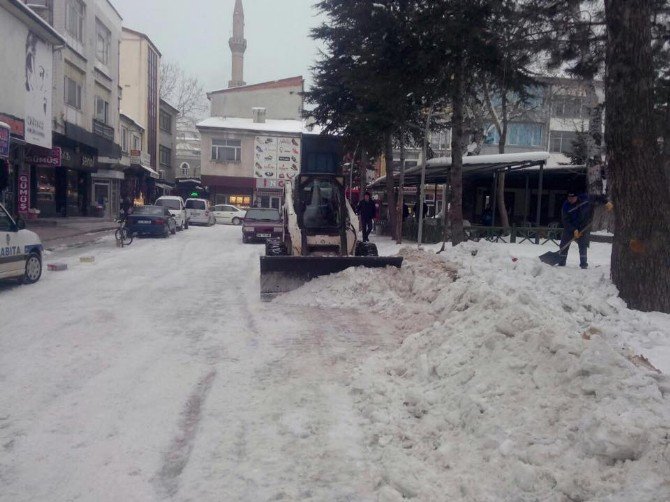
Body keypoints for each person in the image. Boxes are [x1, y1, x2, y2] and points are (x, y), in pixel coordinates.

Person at [559, 190, 591, 268]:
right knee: (564, 245)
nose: (570, 200)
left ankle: (583, 264)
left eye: (572, 198)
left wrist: (606, 202)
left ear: (576, 197)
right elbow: (565, 221)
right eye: (569, 198)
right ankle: (561, 262)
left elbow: (596, 197)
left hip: (583, 227)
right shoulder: (566, 206)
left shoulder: (584, 199)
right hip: (569, 228)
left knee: (583, 245)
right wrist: (573, 229)